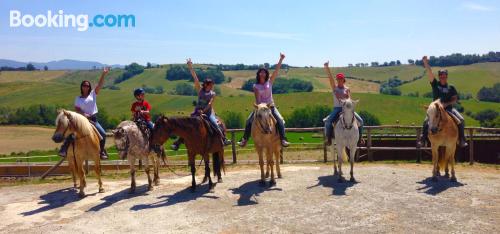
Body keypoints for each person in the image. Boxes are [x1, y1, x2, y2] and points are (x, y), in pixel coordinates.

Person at [171, 58, 231, 150]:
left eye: (212, 85)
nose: (212, 86)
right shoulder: (200, 91)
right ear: (206, 85)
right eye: (211, 85)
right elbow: (195, 78)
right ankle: (178, 143)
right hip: (197, 112)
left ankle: (224, 139)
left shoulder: (213, 94)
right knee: (188, 125)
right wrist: (190, 67)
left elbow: (210, 104)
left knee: (215, 123)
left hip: (208, 112)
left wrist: (203, 111)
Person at [238, 53, 290, 147]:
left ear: (266, 74)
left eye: (264, 72)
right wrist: (260, 107)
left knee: (280, 120)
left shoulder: (270, 82)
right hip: (260, 108)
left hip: (271, 106)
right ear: (258, 74)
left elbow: (276, 71)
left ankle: (283, 139)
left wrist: (281, 59)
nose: (262, 74)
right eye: (261, 72)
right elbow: (257, 99)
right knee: (248, 120)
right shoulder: (255, 86)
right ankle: (244, 139)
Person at [58, 67, 110, 159]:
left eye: (87, 85)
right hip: (82, 120)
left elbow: (100, 85)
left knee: (103, 134)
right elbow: (77, 109)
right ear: (81, 87)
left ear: (89, 87)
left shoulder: (93, 94)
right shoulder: (78, 98)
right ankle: (64, 149)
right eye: (84, 85)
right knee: (71, 132)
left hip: (93, 120)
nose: (86, 87)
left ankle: (101, 151)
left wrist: (104, 74)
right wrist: (83, 114)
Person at [419, 56, 468, 148]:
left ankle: (462, 139)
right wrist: (425, 63)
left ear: (447, 76)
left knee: (461, 120)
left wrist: (446, 104)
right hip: (435, 110)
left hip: (448, 109)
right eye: (441, 76)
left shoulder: (451, 87)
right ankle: (423, 140)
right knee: (426, 121)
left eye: (444, 76)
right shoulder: (435, 84)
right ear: (439, 76)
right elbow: (429, 73)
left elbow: (454, 99)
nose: (442, 77)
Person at [323, 61, 365, 146]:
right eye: (338, 79)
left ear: (343, 80)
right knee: (328, 122)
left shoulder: (347, 89)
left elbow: (349, 100)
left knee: (361, 121)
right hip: (337, 108)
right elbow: (330, 78)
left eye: (341, 79)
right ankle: (329, 138)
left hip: (347, 108)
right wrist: (327, 68)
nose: (339, 80)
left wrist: (347, 98)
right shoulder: (335, 88)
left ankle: (360, 138)